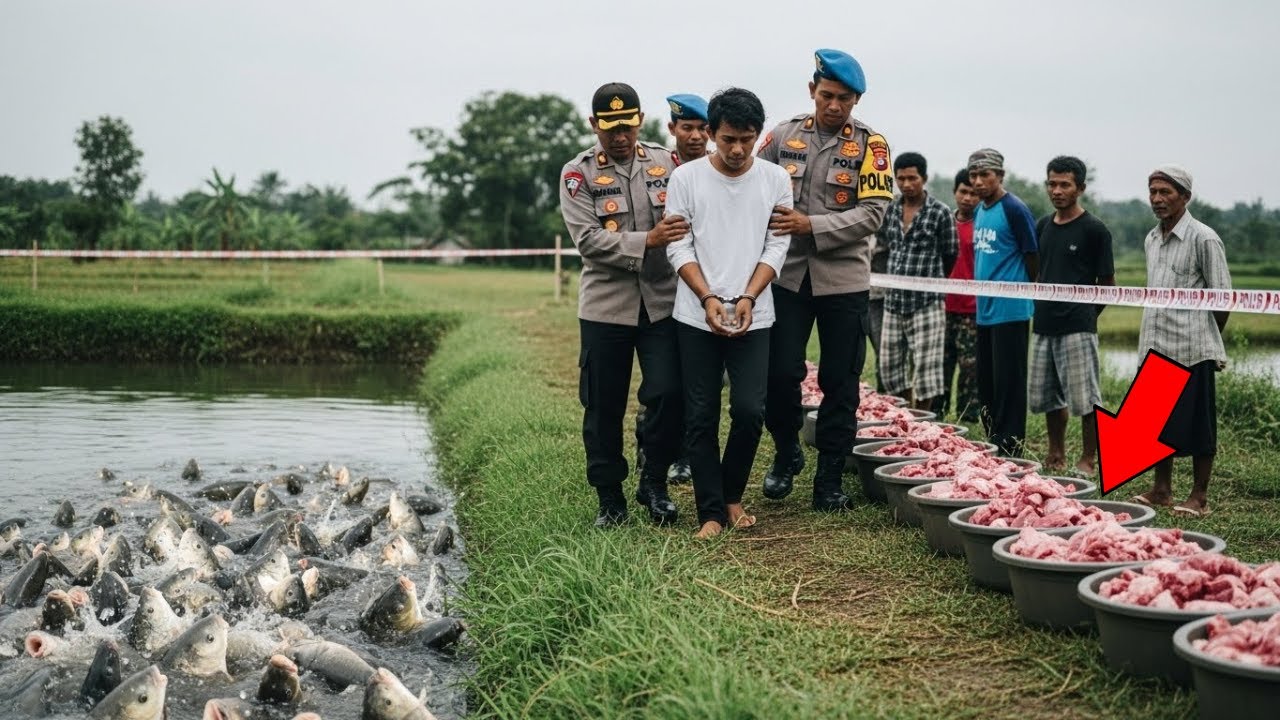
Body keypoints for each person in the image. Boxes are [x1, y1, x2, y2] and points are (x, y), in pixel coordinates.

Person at [758, 48, 893, 510]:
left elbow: (873, 213)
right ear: (812, 89)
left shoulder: (873, 147)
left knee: (841, 380)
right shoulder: (781, 136)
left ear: (856, 101)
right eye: (828, 95)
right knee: (778, 374)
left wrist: (810, 225)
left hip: (843, 280)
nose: (835, 106)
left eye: (845, 99)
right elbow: (752, 188)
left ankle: (829, 480)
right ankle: (786, 452)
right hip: (787, 276)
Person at [559, 82, 686, 528]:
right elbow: (588, 240)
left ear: (640, 121)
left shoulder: (665, 162)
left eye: (627, 127)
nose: (620, 137)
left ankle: (654, 482)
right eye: (610, 128)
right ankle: (610, 499)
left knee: (670, 393)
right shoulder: (578, 174)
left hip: (662, 302)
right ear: (594, 125)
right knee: (603, 406)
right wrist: (646, 240)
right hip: (605, 307)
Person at [665, 87, 791, 538]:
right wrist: (708, 299)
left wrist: (747, 298)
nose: (737, 149)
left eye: (747, 139)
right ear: (711, 133)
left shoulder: (776, 179)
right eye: (728, 138)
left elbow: (777, 244)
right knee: (700, 415)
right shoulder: (687, 179)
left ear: (758, 135)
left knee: (749, 408)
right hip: (696, 315)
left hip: (753, 313)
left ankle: (733, 494)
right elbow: (678, 243)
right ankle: (711, 513)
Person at [1130, 165, 1231, 517]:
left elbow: (1223, 299)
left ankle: (1199, 497)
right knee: (1158, 422)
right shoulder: (1151, 238)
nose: (1157, 199)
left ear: (1185, 197)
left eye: (1165, 192)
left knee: (1199, 424)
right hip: (1156, 342)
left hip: (1190, 347)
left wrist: (1208, 339)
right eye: (1153, 192)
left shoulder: (1204, 238)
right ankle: (1161, 490)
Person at [1030, 156, 1115, 475]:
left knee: (1086, 397)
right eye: (1052, 183)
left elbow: (1107, 283)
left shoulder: (1094, 230)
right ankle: (1056, 453)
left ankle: (1088, 458)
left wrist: (1086, 315)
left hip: (1078, 327)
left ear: (1080, 187)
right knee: (1048, 396)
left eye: (1065, 184)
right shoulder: (1042, 226)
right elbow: (1036, 273)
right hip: (1043, 325)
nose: (1057, 190)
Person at [968, 148, 1038, 457]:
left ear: (1000, 176)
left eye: (986, 175)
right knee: (988, 381)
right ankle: (993, 438)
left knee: (1010, 381)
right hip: (985, 308)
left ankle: (1010, 447)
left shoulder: (1014, 208)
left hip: (1010, 309)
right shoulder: (981, 210)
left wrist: (1023, 289)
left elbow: (1032, 255)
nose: (979, 181)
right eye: (974, 175)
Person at [876, 152, 956, 410]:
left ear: (924, 178)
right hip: (894, 300)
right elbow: (885, 245)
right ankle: (904, 417)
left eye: (912, 178)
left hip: (927, 302)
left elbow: (950, 253)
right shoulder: (890, 209)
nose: (907, 184)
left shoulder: (940, 212)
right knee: (889, 367)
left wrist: (931, 282)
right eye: (901, 179)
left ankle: (921, 422)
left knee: (926, 370)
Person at [939, 168, 981, 422]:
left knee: (970, 370)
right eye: (963, 192)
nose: (968, 198)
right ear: (955, 192)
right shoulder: (946, 223)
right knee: (941, 366)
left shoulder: (983, 226)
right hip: (943, 307)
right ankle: (936, 414)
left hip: (972, 309)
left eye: (973, 193)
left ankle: (968, 419)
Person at [666, 94, 711, 166]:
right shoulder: (658, 165)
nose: (696, 136)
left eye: (702, 128)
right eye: (687, 128)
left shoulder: (722, 168)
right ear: (672, 128)